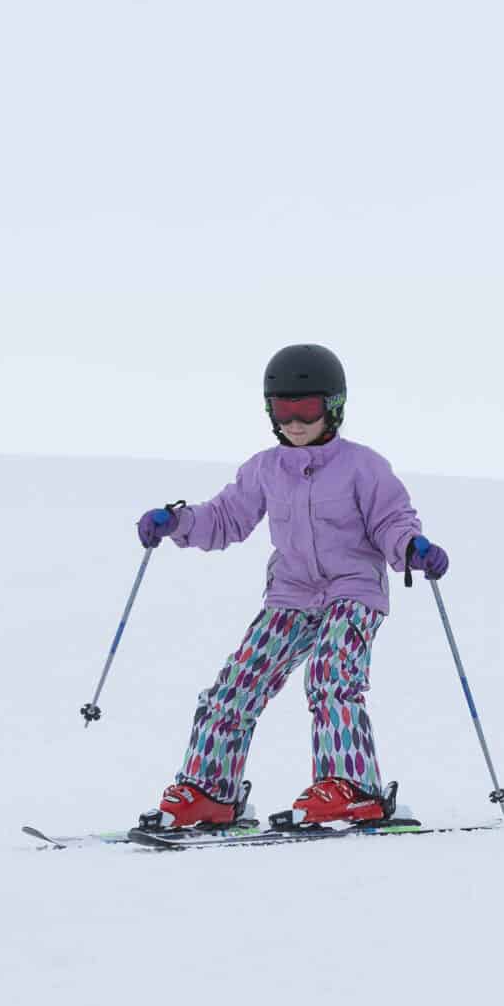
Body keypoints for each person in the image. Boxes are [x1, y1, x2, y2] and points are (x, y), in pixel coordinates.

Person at [134, 343, 450, 832]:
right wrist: (177, 522)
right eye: (284, 409)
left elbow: (392, 520)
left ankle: (352, 788)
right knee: (235, 686)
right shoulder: (265, 468)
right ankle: (209, 792)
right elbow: (225, 519)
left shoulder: (363, 466)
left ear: (334, 407)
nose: (295, 422)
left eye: (307, 409)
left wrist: (411, 548)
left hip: (353, 592)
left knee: (331, 674)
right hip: (291, 594)